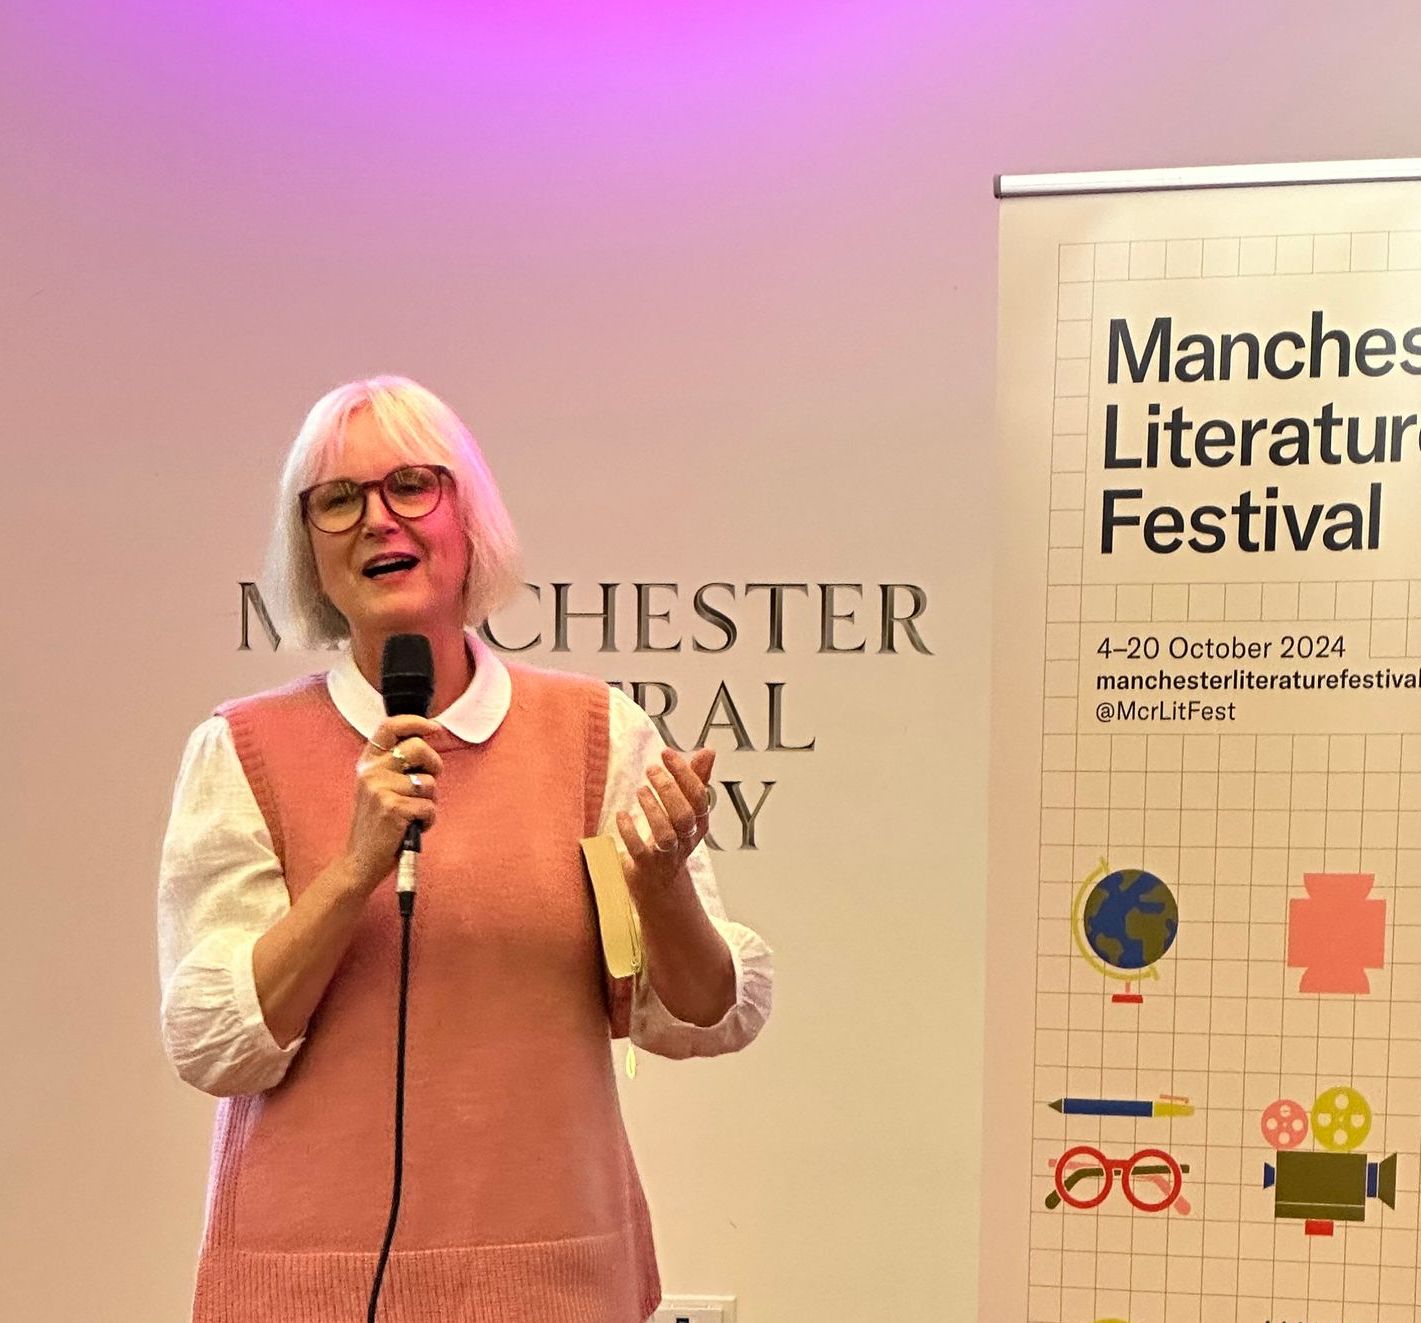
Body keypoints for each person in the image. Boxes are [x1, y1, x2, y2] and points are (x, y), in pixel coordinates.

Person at [157, 376, 773, 1323]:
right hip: (308, 1287)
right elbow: (212, 1046)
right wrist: (354, 869)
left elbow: (699, 1019)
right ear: (308, 545)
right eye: (338, 498)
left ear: (468, 518)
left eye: (411, 484)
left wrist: (661, 889)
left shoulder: (595, 733)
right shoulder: (240, 749)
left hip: (551, 1280)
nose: (377, 519)